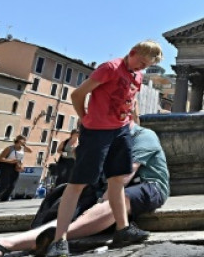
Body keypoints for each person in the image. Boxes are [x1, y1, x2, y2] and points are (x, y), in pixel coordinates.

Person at [0, 123, 170, 257]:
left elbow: (122, 177)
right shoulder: (101, 141)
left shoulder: (143, 136)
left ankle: (7, 243)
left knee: (115, 199)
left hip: (146, 186)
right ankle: (4, 247)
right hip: (104, 192)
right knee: (75, 210)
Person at [46, 40, 162, 257]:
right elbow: (78, 94)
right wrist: (86, 120)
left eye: (147, 66)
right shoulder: (110, 68)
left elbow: (131, 101)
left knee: (117, 180)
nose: (141, 68)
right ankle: (59, 239)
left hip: (121, 131)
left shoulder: (137, 75)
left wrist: (131, 122)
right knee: (78, 184)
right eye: (141, 62)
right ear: (132, 52)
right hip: (97, 131)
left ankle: (123, 229)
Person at [0, 135, 31, 202]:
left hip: (16, 166)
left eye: (25, 140)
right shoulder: (9, 148)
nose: (24, 141)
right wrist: (10, 161)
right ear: (18, 140)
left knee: (12, 185)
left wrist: (24, 145)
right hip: (6, 166)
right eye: (23, 140)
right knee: (5, 184)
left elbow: (30, 151)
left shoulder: (22, 148)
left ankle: (4, 199)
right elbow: (1, 159)